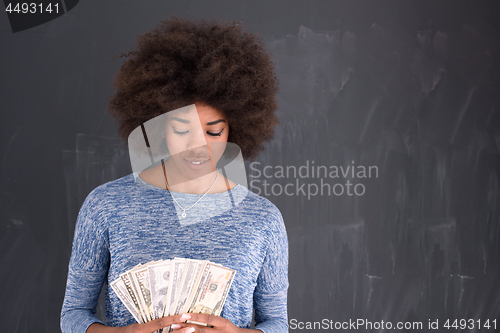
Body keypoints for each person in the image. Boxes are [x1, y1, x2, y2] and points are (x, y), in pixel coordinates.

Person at [60, 17, 288, 333]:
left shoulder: (264, 219)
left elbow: (277, 322)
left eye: (214, 131)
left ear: (234, 129)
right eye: (183, 130)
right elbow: (73, 313)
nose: (198, 148)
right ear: (158, 125)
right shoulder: (105, 205)